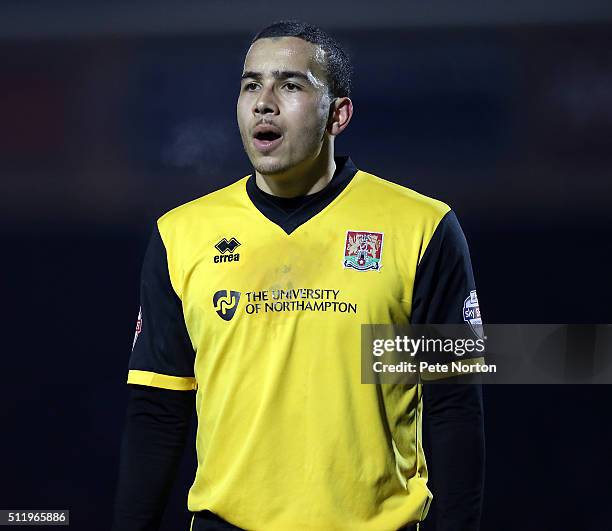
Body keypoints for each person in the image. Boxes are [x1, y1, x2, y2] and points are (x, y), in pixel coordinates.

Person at [111, 20, 485, 531]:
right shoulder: (181, 236)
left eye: (290, 85)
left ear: (339, 113)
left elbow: (453, 406)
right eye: (250, 85)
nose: (264, 102)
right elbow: (158, 410)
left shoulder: (421, 228)